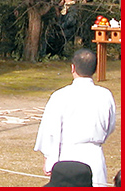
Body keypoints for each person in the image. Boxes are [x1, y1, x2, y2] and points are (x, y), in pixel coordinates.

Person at [34, 48, 116, 187]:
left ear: (73, 68)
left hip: (69, 157)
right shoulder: (105, 95)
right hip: (91, 154)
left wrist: (49, 159)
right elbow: (110, 126)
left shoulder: (60, 96)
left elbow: (51, 131)